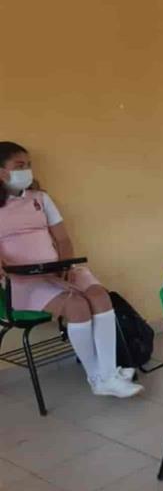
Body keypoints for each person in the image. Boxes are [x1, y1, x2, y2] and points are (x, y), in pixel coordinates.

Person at [0, 142, 142, 398]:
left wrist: (65, 267)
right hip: (24, 281)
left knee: (99, 296)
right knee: (77, 305)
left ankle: (108, 374)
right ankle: (98, 377)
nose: (27, 171)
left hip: (59, 270)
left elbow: (63, 240)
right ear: (1, 172)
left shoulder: (41, 199)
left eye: (29, 165)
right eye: (19, 166)